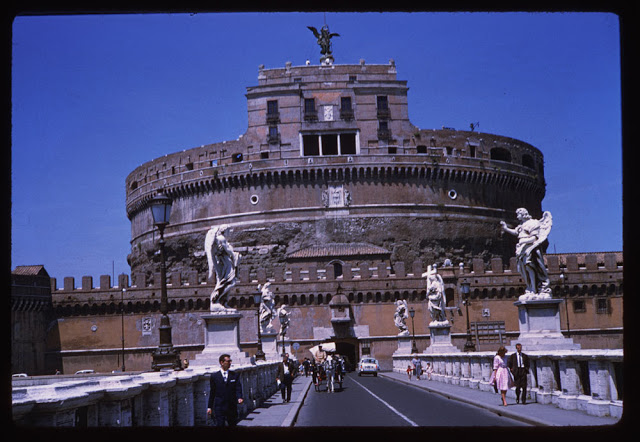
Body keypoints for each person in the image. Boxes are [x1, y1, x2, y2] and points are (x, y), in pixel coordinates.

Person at [207, 354, 244, 426]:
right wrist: (209, 407)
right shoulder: (215, 376)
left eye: (230, 361)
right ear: (222, 362)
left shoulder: (234, 375)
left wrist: (240, 397)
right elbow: (212, 392)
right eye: (228, 361)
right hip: (219, 406)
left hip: (231, 406)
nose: (230, 363)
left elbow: (238, 388)